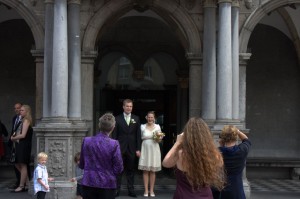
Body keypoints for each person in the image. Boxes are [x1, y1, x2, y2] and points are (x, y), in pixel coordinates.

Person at [162, 117, 225, 199]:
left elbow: (165, 163)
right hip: (205, 196)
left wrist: (177, 142)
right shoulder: (214, 155)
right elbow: (219, 164)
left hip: (183, 196)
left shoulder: (181, 154)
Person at [79, 113, 123, 199]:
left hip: (89, 182)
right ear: (113, 127)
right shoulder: (114, 144)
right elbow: (119, 167)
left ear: (99, 125)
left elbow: (82, 164)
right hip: (107, 183)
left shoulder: (87, 141)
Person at [112, 99, 142, 198]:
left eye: (131, 106)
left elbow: (138, 135)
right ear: (123, 107)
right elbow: (114, 135)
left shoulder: (136, 118)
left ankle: (131, 190)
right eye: (127, 106)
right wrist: (114, 149)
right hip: (120, 148)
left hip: (132, 148)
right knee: (119, 170)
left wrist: (138, 149)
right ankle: (117, 190)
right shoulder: (117, 118)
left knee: (131, 170)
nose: (129, 108)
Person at [212, 126, 251, 199]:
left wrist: (221, 145)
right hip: (237, 190)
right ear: (235, 137)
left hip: (221, 191)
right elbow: (246, 140)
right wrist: (238, 131)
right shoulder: (242, 150)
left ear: (222, 138)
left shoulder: (217, 153)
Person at [138, 111, 162, 197]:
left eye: (152, 117)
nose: (150, 119)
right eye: (149, 117)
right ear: (146, 117)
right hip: (145, 149)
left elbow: (159, 141)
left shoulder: (158, 127)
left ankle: (151, 190)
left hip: (154, 149)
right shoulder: (142, 127)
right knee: (145, 171)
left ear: (154, 118)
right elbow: (139, 138)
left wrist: (158, 138)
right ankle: (145, 190)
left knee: (152, 171)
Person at [10, 104, 33, 193]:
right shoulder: (22, 120)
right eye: (20, 110)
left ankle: (21, 186)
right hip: (19, 144)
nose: (20, 111)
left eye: (22, 110)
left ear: (27, 112)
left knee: (22, 164)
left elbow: (23, 135)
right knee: (16, 163)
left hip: (24, 145)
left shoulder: (26, 120)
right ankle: (27, 183)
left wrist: (13, 138)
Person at [8, 103, 22, 190]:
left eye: (18, 108)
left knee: (22, 163)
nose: (16, 110)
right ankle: (18, 181)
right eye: (15, 108)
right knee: (15, 162)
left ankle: (23, 182)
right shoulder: (14, 118)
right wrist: (11, 139)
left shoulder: (24, 119)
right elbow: (13, 130)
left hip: (21, 143)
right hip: (13, 142)